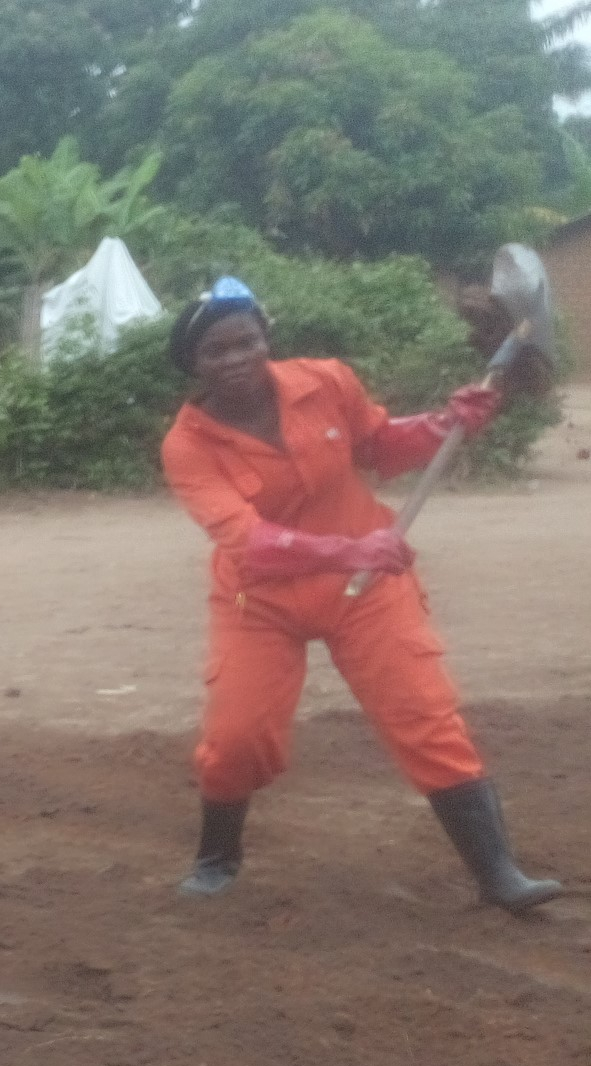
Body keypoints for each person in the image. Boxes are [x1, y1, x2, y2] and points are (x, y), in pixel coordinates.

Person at [161, 276, 561, 912]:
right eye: (217, 350)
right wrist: (348, 550)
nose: (237, 358)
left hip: (369, 588)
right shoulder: (186, 446)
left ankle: (498, 875)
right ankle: (217, 858)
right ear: (194, 364)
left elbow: (378, 444)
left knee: (424, 717)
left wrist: (441, 424)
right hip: (260, 602)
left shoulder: (327, 381)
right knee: (236, 739)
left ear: (266, 339)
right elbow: (249, 542)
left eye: (247, 341)